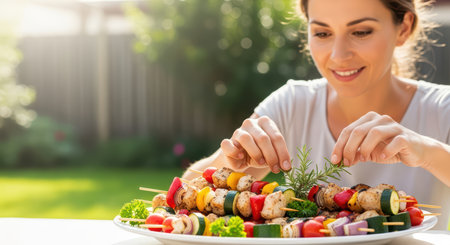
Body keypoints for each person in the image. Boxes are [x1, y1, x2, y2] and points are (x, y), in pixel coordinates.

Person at [183, 0, 450, 229]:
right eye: (322, 34)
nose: (339, 54)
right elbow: (183, 197)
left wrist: (427, 151)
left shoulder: (441, 108)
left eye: (361, 31)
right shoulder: (292, 104)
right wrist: (225, 162)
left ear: (403, 28)